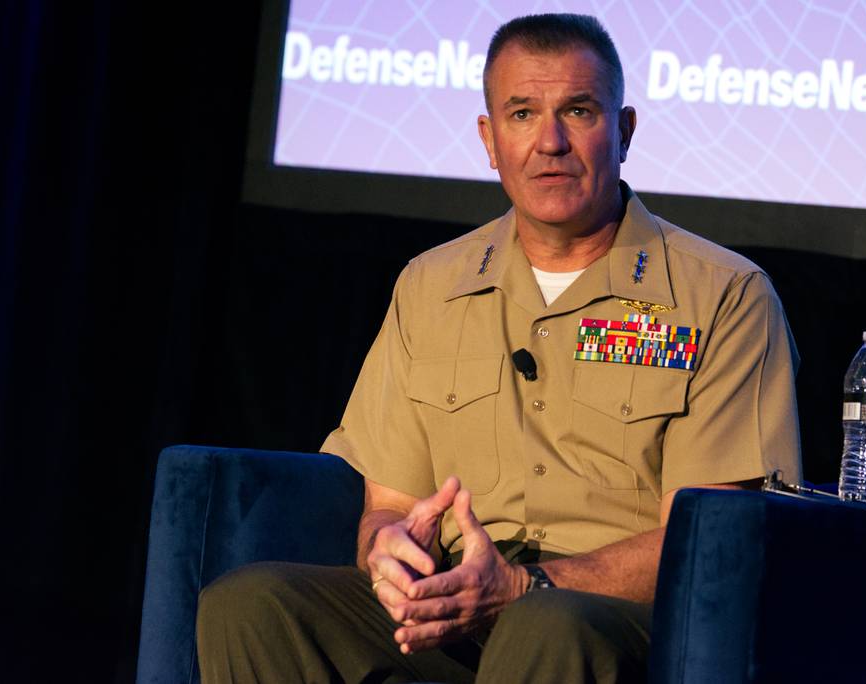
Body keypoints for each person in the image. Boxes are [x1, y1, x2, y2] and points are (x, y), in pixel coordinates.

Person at [196, 13, 801, 683]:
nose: (550, 142)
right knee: (250, 605)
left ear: (623, 132)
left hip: (610, 622)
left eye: (577, 111)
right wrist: (390, 553)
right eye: (521, 114)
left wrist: (522, 587)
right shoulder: (431, 285)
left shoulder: (724, 295)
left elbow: (709, 540)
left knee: (543, 625)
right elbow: (389, 506)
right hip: (453, 609)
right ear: (489, 139)